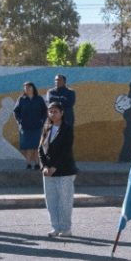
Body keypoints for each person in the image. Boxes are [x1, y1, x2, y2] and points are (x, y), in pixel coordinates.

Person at [39, 99, 77, 237]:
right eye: (50, 111)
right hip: (48, 172)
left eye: (55, 111)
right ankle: (55, 227)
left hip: (64, 170)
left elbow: (65, 150)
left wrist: (55, 166)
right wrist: (44, 166)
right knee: (51, 200)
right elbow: (40, 149)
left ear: (62, 113)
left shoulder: (67, 129)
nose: (53, 114)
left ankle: (66, 228)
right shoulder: (46, 128)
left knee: (65, 201)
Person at [14, 82, 48, 168]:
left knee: (36, 146)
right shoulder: (21, 99)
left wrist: (42, 121)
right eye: (25, 87)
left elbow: (44, 111)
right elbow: (16, 111)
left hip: (37, 126)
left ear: (33, 88)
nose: (27, 89)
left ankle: (37, 164)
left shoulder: (39, 99)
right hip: (25, 127)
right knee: (27, 146)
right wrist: (19, 121)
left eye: (29, 87)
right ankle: (28, 163)